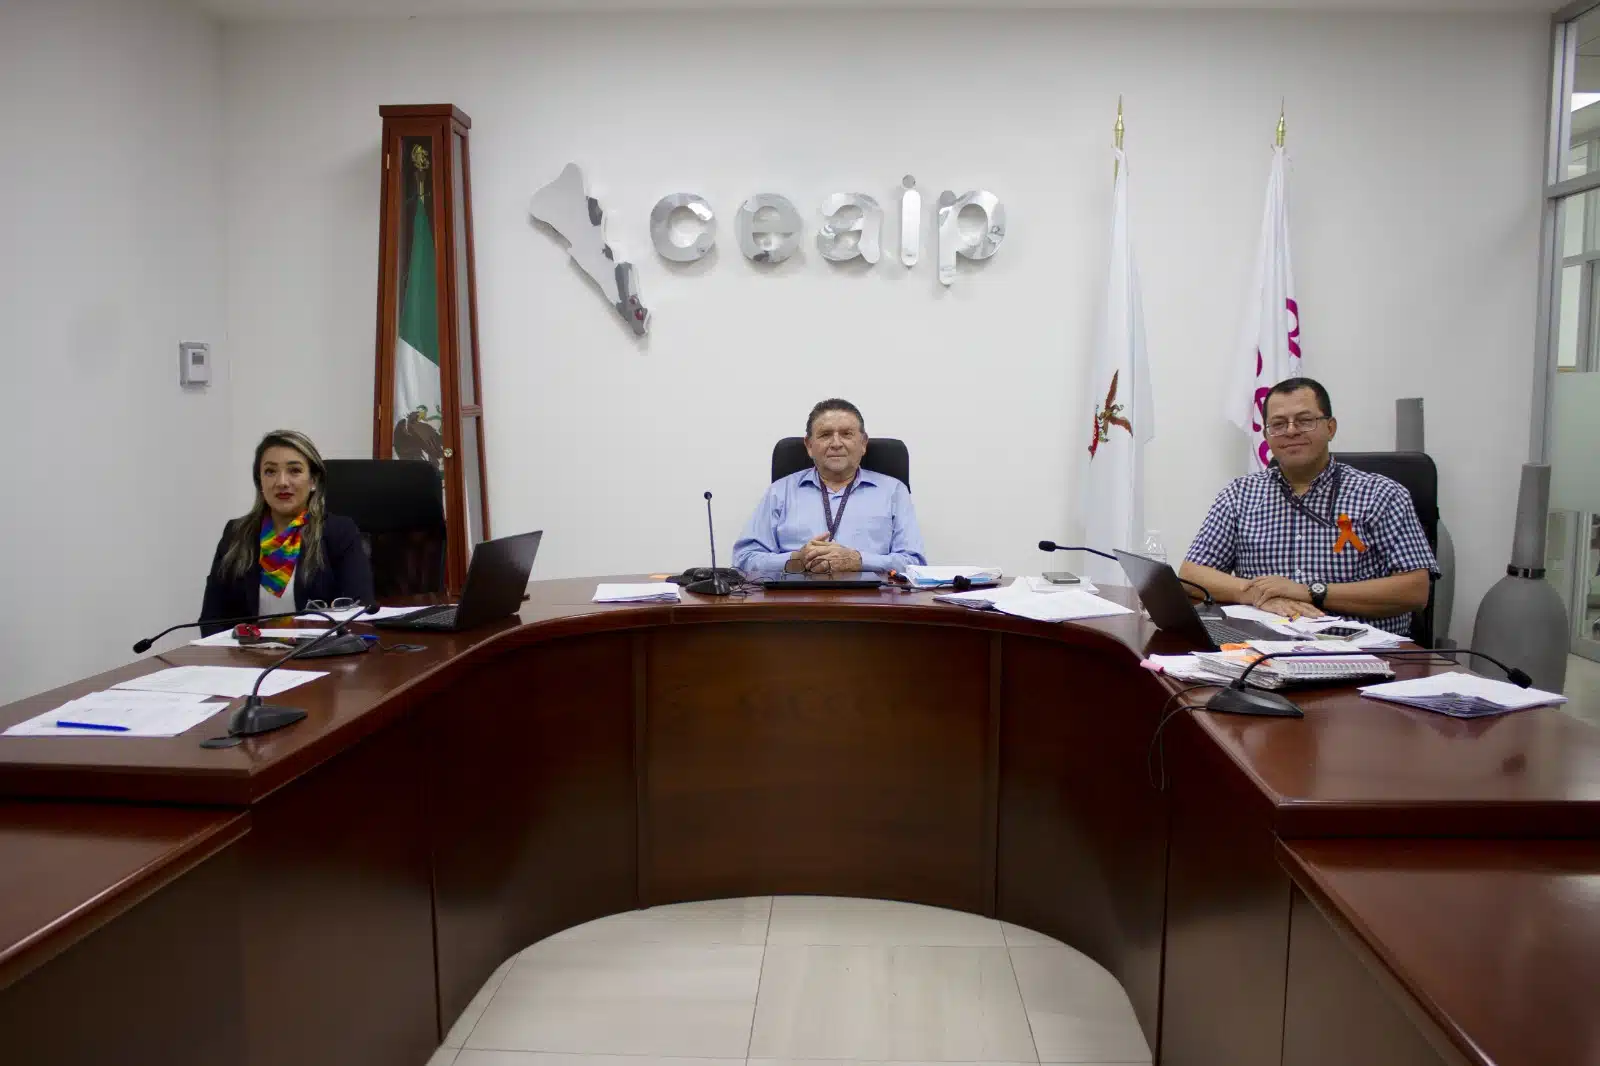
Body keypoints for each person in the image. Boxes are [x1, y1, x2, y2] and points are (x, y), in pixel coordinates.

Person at [1179, 377, 1436, 634]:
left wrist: (1311, 591)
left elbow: (1414, 590)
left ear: (1330, 428)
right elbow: (1191, 575)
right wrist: (1258, 594)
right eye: (1278, 424)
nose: (1291, 431)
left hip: (1365, 652)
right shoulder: (1239, 495)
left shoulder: (1382, 494)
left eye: (1305, 420)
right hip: (1264, 651)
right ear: (1267, 435)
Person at [199, 430, 375, 634]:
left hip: (317, 658)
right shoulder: (236, 534)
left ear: (313, 481)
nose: (282, 482)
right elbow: (211, 621)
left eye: (294, 471)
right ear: (260, 482)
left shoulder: (339, 533)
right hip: (247, 659)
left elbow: (359, 614)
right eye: (270, 472)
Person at [733, 398, 926, 576]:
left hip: (872, 606)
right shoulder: (780, 491)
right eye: (825, 435)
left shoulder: (893, 491)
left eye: (846, 434)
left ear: (863, 443)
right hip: (795, 603)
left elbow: (914, 563)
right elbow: (744, 560)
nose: (836, 443)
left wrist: (859, 560)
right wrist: (795, 559)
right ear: (809, 445)